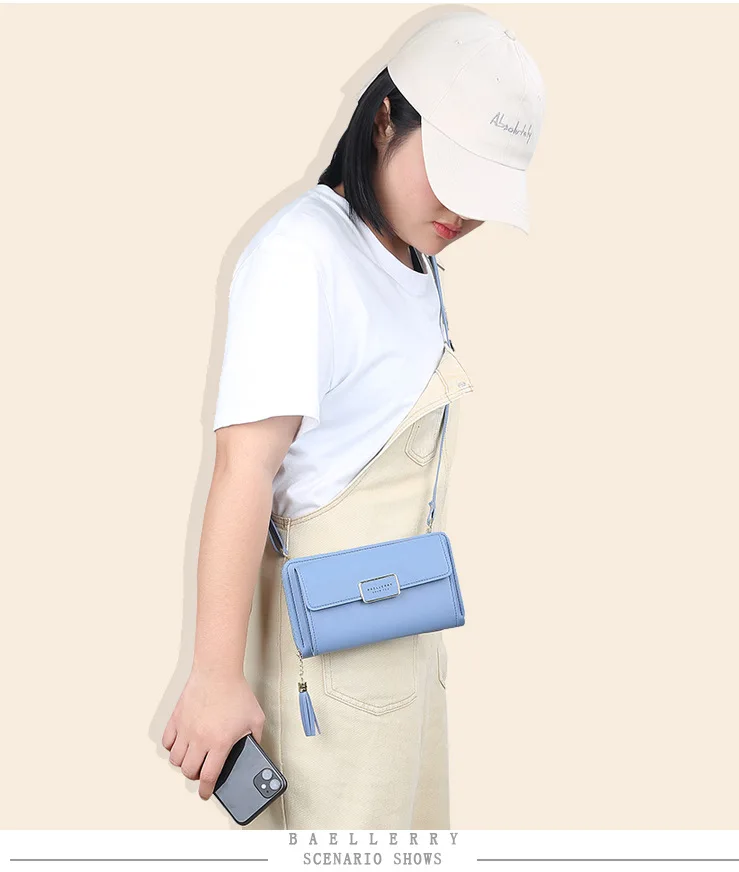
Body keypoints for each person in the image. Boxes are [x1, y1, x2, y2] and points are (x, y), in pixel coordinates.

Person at [162, 9, 544, 829]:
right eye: (452, 175)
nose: (463, 213)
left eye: (483, 194)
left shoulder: (416, 263)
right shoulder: (302, 256)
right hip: (330, 684)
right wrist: (215, 676)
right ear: (383, 120)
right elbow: (243, 469)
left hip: (406, 654)